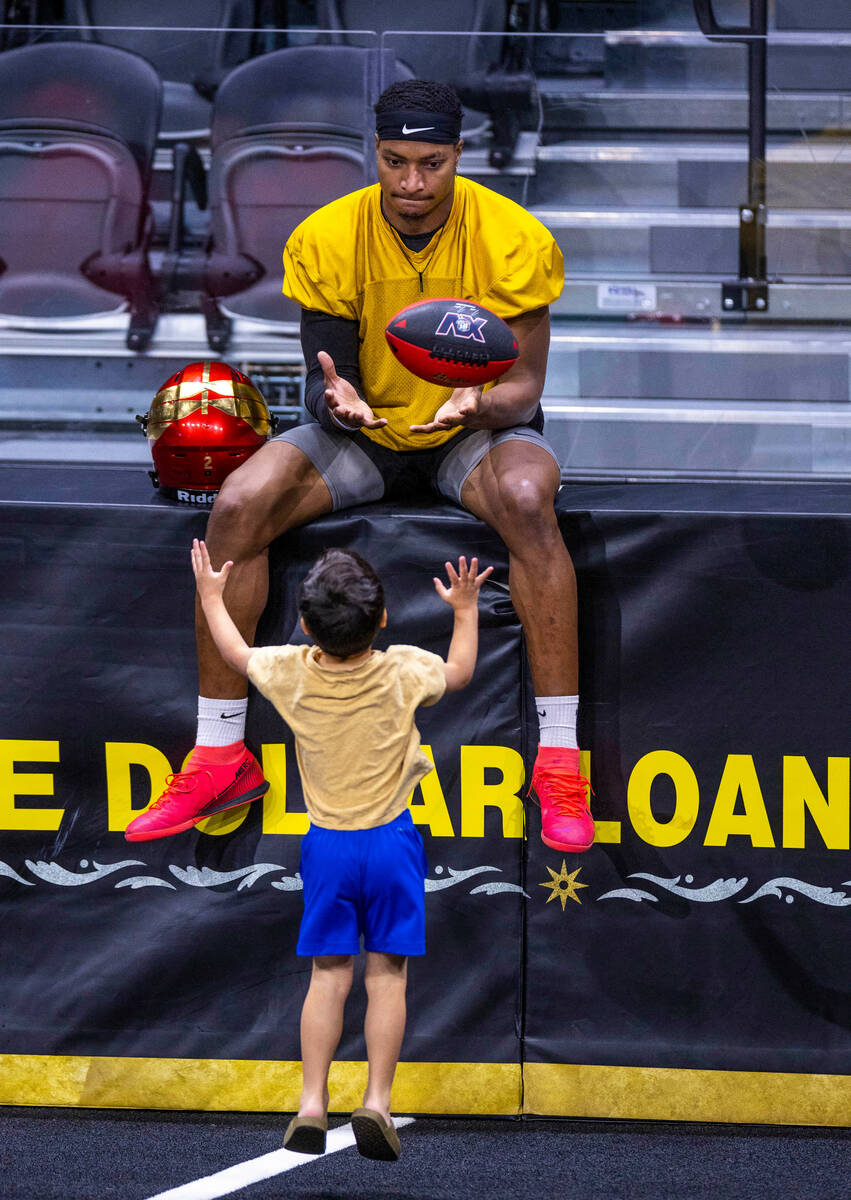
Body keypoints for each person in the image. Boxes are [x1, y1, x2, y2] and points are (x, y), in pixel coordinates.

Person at [125, 77, 593, 854]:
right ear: (374, 153)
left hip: (468, 433)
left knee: (526, 495)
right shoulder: (329, 236)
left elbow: (524, 389)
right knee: (239, 501)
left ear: (458, 156)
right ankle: (218, 755)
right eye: (395, 160)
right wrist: (333, 399)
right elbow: (324, 376)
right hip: (365, 434)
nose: (411, 184)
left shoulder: (513, 239)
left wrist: (475, 407)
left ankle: (557, 759)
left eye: (431, 164)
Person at [191, 537, 492, 1158]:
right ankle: (377, 1102)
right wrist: (464, 608)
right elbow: (460, 672)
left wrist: (212, 596)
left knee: (327, 977)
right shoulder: (404, 668)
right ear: (382, 619)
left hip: (327, 847)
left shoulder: (290, 671)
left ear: (304, 627)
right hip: (391, 844)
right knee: (387, 978)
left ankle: (310, 1103)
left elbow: (233, 650)